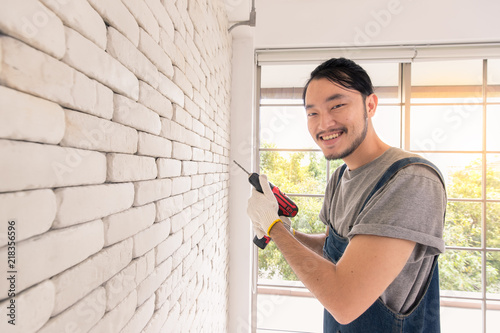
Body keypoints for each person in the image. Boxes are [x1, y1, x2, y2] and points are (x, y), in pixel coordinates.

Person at [246, 58, 447, 332]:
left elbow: (343, 301)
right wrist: (290, 233)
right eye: (312, 113)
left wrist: (275, 228)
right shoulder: (339, 177)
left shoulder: (411, 179)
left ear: (370, 105)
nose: (324, 123)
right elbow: (334, 250)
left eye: (337, 105)